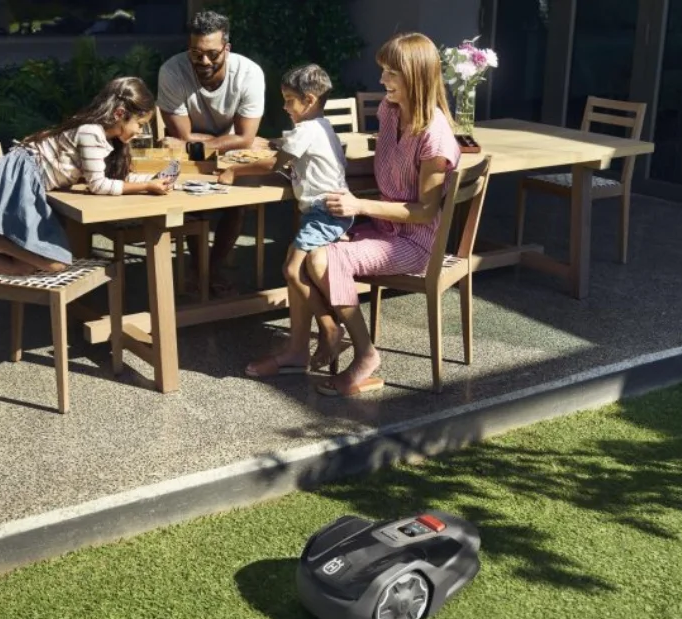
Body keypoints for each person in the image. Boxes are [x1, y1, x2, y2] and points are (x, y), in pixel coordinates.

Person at [244, 32, 462, 397]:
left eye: (391, 73)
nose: (382, 81)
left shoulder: (435, 137)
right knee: (298, 260)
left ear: (416, 76)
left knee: (321, 259)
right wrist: (328, 167)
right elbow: (381, 165)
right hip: (381, 229)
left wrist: (358, 205)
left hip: (415, 241)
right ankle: (297, 350)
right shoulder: (391, 113)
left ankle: (365, 353)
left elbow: (425, 211)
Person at [0, 77, 173, 296]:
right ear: (119, 114)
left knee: (29, 264)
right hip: (23, 179)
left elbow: (110, 176)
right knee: (55, 262)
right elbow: (98, 184)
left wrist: (152, 180)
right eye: (139, 124)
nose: (140, 131)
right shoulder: (91, 133)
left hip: (29, 180)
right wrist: (147, 187)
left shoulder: (100, 135)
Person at [220, 63, 353, 372]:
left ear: (308, 100)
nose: (284, 106)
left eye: (289, 99)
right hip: (329, 212)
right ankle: (324, 329)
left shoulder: (306, 130)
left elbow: (273, 165)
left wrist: (232, 170)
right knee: (294, 268)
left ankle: (330, 327)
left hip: (322, 213)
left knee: (292, 270)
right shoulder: (323, 126)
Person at [157, 9, 270, 296]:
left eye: (212, 54)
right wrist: (234, 140)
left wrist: (236, 141)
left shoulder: (249, 74)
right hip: (193, 155)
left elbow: (243, 138)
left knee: (236, 204)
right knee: (194, 204)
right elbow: (182, 136)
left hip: (226, 155)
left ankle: (212, 267)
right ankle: (199, 268)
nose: (204, 61)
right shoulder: (172, 71)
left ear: (227, 48)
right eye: (196, 54)